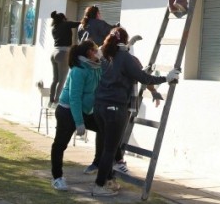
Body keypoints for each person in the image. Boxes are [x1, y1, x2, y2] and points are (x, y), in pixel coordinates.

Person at [90, 27, 179, 197]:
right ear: (124, 42)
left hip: (100, 107)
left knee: (107, 147)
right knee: (110, 149)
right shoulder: (124, 57)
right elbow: (143, 77)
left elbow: (107, 51)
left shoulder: (107, 54)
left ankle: (107, 180)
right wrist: (166, 79)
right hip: (115, 108)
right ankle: (99, 185)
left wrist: (126, 44)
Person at [50, 40, 104, 192]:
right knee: (60, 144)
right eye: (95, 49)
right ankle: (57, 178)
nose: (98, 51)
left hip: (86, 111)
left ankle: (99, 164)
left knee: (105, 129)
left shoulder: (96, 67)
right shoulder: (78, 70)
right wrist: (79, 122)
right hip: (67, 111)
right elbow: (75, 98)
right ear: (89, 53)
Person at [49, 11, 79, 106]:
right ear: (63, 18)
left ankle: (50, 101)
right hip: (63, 53)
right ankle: (57, 102)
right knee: (62, 80)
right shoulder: (65, 24)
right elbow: (78, 24)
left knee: (55, 80)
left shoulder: (54, 28)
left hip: (54, 53)